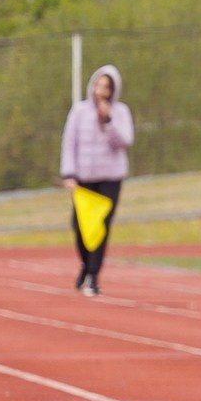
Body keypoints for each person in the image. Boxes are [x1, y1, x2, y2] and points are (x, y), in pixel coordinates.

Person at [60, 65, 133, 297]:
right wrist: (69, 174)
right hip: (84, 178)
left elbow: (125, 141)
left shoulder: (120, 112)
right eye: (99, 85)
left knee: (101, 227)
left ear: (113, 90)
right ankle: (86, 265)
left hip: (110, 178)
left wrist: (108, 120)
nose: (101, 91)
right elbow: (69, 142)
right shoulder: (79, 111)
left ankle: (93, 276)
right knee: (79, 226)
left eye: (106, 87)